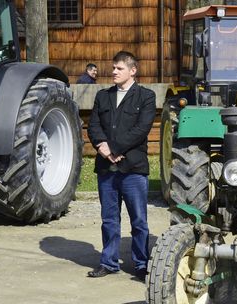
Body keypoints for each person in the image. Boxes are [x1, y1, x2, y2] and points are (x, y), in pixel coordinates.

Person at [87, 51, 156, 281]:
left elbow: (141, 129)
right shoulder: (103, 96)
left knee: (139, 221)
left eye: (119, 68)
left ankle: (140, 265)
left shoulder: (146, 96)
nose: (113, 72)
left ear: (132, 70)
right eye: (113, 67)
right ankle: (108, 262)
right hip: (106, 169)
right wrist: (102, 147)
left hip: (133, 169)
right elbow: (93, 125)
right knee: (109, 220)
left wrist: (114, 149)